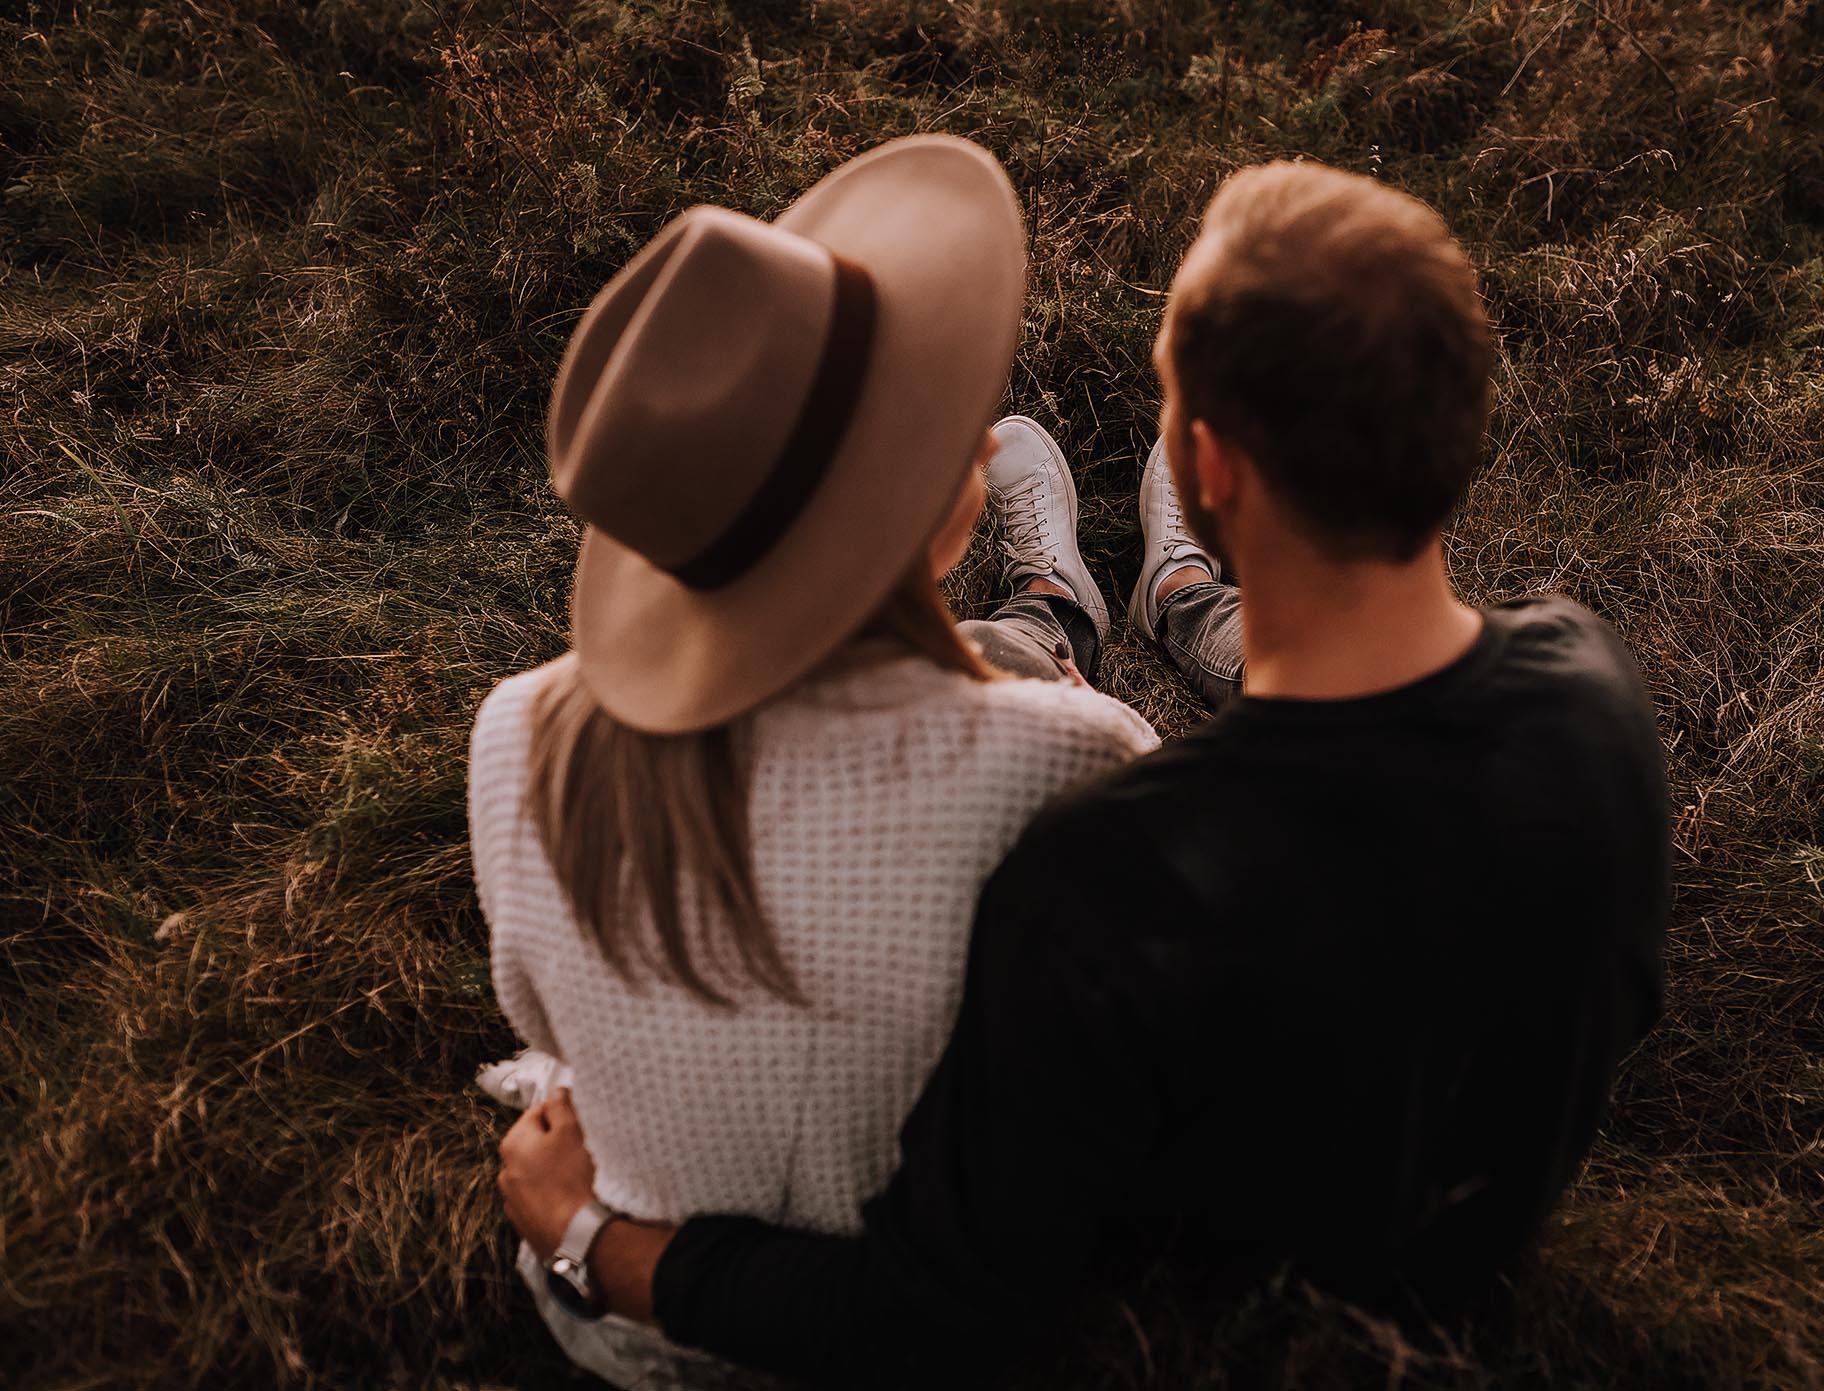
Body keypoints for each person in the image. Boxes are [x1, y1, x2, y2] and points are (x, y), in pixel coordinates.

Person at [498, 158, 1672, 1386]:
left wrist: (597, 1236)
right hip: (1468, 1260)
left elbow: (929, 1314)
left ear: (1210, 466)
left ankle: (1111, 599)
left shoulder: (1113, 880)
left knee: (1031, 650)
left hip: (1225, 1313)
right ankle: (1188, 601)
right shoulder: (1594, 692)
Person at [471, 134, 1156, 1387]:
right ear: (909, 493)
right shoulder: (1073, 759)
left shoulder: (515, 732)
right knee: (1017, 662)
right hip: (916, 1322)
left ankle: (1044, 606)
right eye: (935, 408)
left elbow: (540, 1020)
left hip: (618, 1323)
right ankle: (1061, 601)